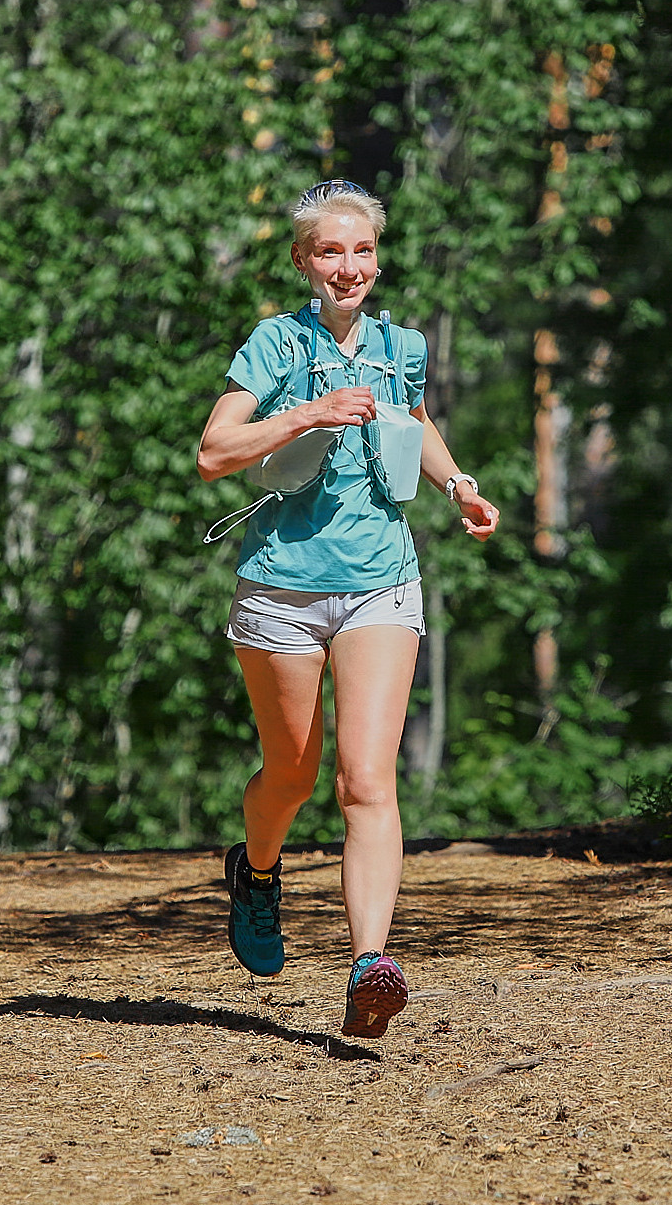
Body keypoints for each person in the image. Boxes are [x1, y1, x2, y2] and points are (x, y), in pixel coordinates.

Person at [196, 179, 500, 1039]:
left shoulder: (402, 345)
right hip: (282, 590)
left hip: (380, 580)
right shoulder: (273, 343)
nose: (348, 266)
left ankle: (372, 963)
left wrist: (458, 486)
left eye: (361, 250)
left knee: (366, 780)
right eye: (330, 251)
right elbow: (214, 452)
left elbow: (416, 421)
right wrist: (310, 413)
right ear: (303, 261)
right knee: (292, 775)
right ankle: (255, 872)